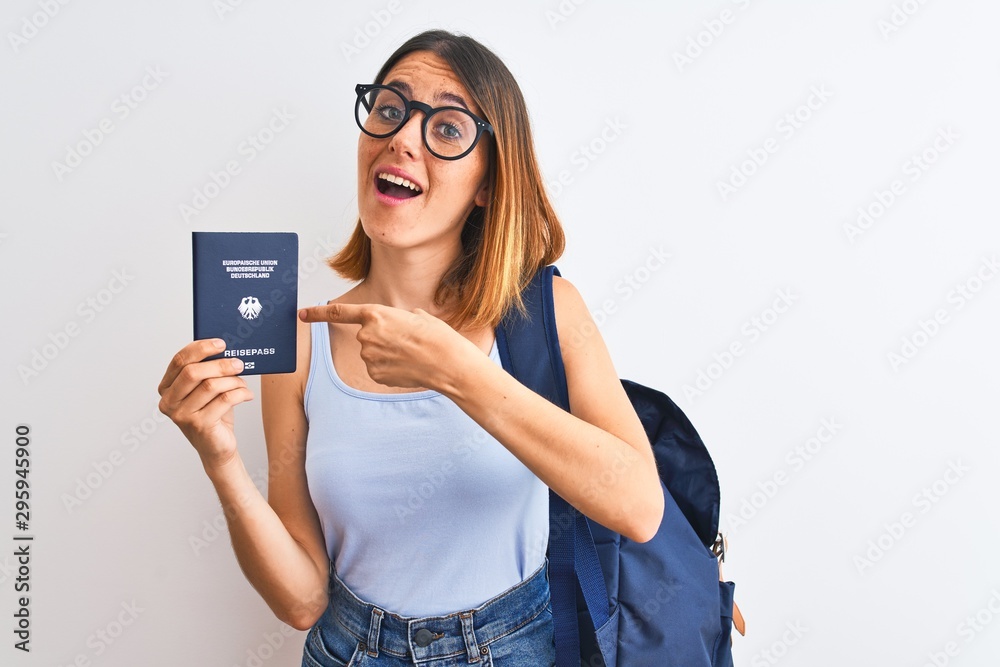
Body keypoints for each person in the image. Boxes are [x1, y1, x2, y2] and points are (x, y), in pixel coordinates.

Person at [158, 29, 663, 666]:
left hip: (516, 647)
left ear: (487, 182)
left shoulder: (547, 313)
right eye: (390, 110)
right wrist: (221, 460)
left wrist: (457, 372)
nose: (400, 138)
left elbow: (640, 508)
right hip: (348, 650)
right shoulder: (301, 340)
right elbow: (303, 601)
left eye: (446, 128)